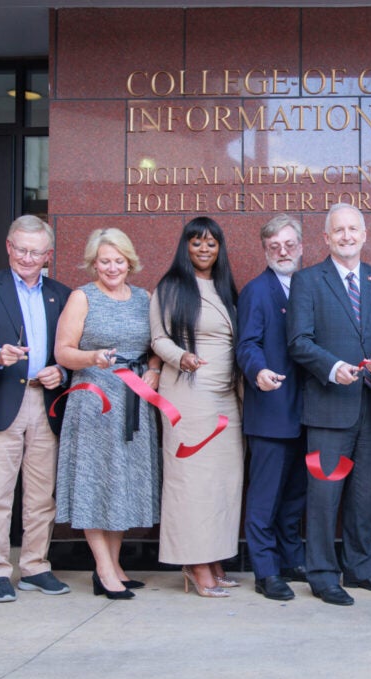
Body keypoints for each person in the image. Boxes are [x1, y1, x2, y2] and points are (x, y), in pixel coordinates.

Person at [287, 203, 371, 606]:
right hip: (328, 406)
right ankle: (321, 574)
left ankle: (360, 569)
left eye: (354, 229)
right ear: (326, 238)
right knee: (324, 496)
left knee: (363, 494)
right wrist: (332, 367)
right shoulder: (307, 281)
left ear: (365, 234)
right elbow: (299, 340)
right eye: (339, 231)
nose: (347, 236)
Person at [0, 215, 72, 602]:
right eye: (21, 249)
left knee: (42, 496)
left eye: (36, 251)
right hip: (0, 399)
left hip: (45, 401)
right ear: (9, 248)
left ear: (48, 255)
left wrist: (62, 370)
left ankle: (36, 567)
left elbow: (68, 349)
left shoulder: (62, 293)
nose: (27, 257)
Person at [54, 228, 161, 600]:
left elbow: (155, 345)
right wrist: (91, 358)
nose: (112, 267)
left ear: (129, 262)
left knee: (121, 485)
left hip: (134, 403)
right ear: (93, 264)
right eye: (104, 261)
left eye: (118, 260)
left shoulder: (144, 298)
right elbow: (63, 351)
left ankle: (114, 566)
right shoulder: (82, 297)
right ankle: (102, 567)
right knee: (94, 484)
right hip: (95, 402)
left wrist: (155, 368)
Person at [151, 216, 243, 598]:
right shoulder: (171, 286)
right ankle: (194, 563)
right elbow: (157, 337)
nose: (204, 249)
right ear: (184, 246)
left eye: (211, 243)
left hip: (226, 396)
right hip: (188, 394)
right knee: (191, 483)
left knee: (224, 483)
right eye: (196, 242)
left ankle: (215, 557)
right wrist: (180, 357)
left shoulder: (225, 288)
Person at [238, 214, 308, 602]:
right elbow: (247, 344)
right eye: (274, 247)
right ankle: (265, 571)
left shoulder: (313, 283)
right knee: (265, 498)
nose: (283, 252)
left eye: (289, 244)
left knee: (295, 495)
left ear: (302, 245)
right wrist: (258, 370)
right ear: (265, 250)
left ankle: (290, 559)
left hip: (307, 412)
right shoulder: (256, 291)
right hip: (271, 410)